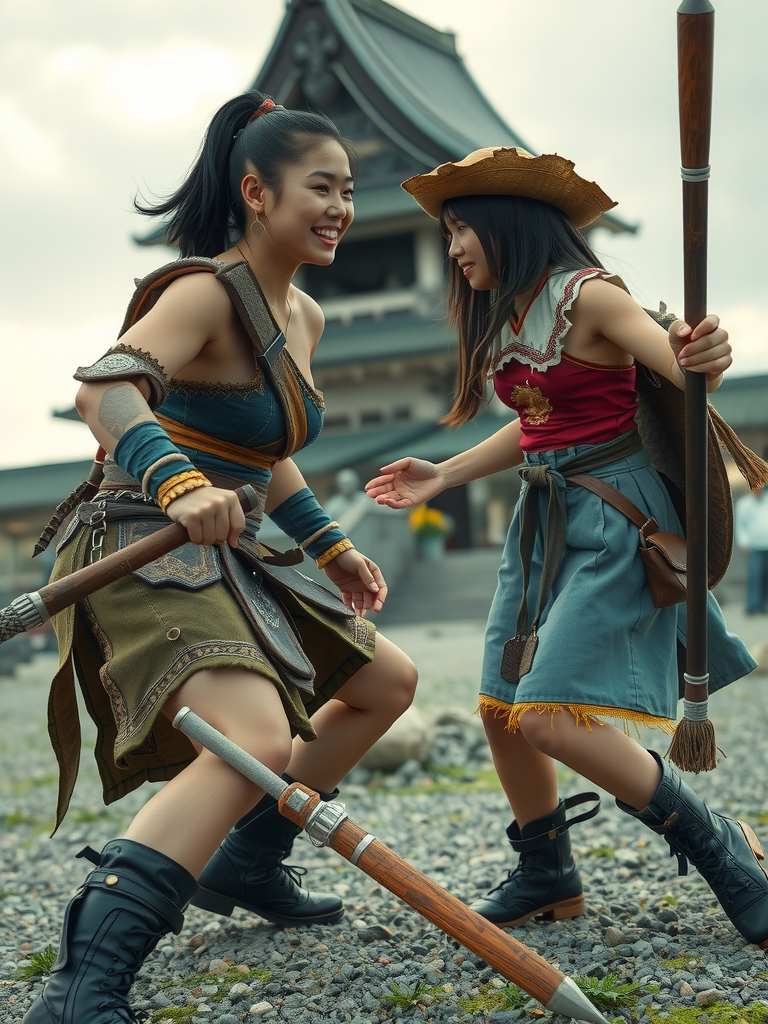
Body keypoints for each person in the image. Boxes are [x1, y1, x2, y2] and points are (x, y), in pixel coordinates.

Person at [23, 91, 418, 1024]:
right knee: (255, 742)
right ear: (255, 192)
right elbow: (105, 389)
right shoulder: (200, 291)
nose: (340, 207)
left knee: (383, 684)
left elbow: (267, 446)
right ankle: (83, 989)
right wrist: (179, 485)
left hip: (230, 541)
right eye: (320, 187)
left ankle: (244, 861)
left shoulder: (305, 317)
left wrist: (333, 546)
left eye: (350, 190)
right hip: (135, 536)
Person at [366, 146, 768, 948]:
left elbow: (684, 370)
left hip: (617, 521)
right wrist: (441, 476)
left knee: (547, 717)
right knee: (502, 705)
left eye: (460, 233)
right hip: (543, 521)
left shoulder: (591, 297)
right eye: (447, 236)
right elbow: (539, 425)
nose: (452, 250)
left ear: (505, 225)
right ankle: (548, 873)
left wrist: (706, 355)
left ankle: (721, 845)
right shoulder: (512, 313)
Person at [735, 482, 768, 614]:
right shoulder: (744, 504)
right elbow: (740, 525)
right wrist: (744, 542)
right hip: (754, 545)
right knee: (755, 576)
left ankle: (765, 605)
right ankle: (753, 605)